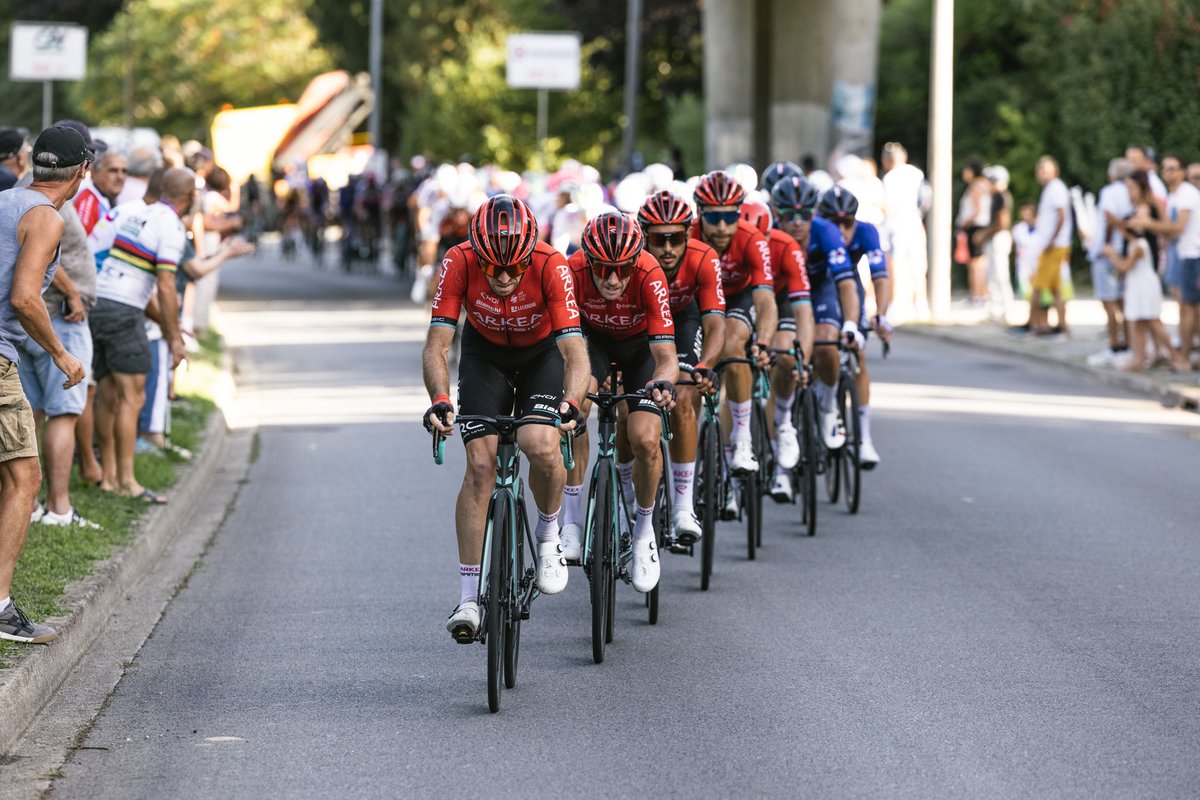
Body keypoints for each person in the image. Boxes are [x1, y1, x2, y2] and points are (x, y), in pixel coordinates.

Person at [422, 194, 589, 642]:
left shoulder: (551, 264)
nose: (503, 277)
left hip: (541, 355)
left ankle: (549, 535)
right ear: (478, 255)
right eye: (492, 267)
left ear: (528, 256)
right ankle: (468, 599)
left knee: (540, 444)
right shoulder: (458, 260)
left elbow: (574, 351)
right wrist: (440, 398)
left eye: (514, 267)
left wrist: (572, 402)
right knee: (480, 465)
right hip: (485, 355)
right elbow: (438, 344)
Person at [0, 125, 89, 644]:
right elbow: (24, 297)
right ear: (82, 171)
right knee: (23, 478)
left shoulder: (4, 202)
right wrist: (61, 353)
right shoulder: (47, 217)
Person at [560, 213, 678, 592]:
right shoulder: (572, 270)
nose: (612, 280)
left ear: (635, 263)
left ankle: (644, 534)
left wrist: (663, 382)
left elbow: (666, 355)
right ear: (588, 261)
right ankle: (572, 520)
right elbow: (564, 346)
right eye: (603, 269)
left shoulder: (650, 272)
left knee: (644, 437)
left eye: (622, 269)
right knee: (576, 408)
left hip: (639, 348)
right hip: (592, 343)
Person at [90, 168, 192, 503]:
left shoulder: (139, 214)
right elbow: (165, 285)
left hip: (98, 304)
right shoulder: (172, 227)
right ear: (189, 196)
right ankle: (128, 481)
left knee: (107, 394)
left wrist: (170, 329)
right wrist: (174, 337)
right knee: (133, 398)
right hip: (124, 311)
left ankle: (109, 477)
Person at [632, 190, 725, 541]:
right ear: (645, 238)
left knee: (684, 396)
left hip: (682, 320)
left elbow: (715, 323)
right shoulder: (632, 260)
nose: (668, 248)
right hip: (639, 325)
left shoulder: (703, 257)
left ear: (689, 235)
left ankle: (683, 506)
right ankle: (627, 492)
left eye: (676, 238)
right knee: (627, 407)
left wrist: (705, 365)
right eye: (659, 240)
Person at [20, 179, 101, 528]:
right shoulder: (48, 201)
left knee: (32, 413)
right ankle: (59, 508)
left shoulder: (20, 194)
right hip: (57, 319)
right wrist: (72, 293)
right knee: (64, 413)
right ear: (79, 168)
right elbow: (41, 252)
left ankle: (29, 504)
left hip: (32, 322)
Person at [691, 171, 775, 490]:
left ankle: (742, 437)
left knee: (732, 345)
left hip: (738, 298)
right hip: (698, 301)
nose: (723, 227)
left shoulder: (752, 238)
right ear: (700, 213)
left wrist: (763, 341)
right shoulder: (687, 235)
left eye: (730, 216)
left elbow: (765, 300)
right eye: (714, 217)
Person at [771, 176, 860, 454]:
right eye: (790, 216)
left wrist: (850, 324)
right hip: (785, 294)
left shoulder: (827, 232)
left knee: (827, 343)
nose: (798, 222)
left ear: (815, 214)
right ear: (777, 214)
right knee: (784, 353)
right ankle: (783, 418)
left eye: (805, 215)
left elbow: (846, 284)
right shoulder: (770, 235)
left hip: (820, 289)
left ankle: (828, 406)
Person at [741, 198, 814, 501]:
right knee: (735, 364)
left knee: (784, 351)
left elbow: (803, 312)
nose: (758, 245)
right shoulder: (725, 246)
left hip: (778, 298)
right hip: (742, 298)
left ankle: (784, 422)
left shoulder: (786, 246)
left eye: (764, 239)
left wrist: (802, 363)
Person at [817, 185, 891, 468]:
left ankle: (864, 439)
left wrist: (880, 313)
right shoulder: (815, 231)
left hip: (850, 291)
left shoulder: (866, 232)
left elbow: (880, 276)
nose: (841, 231)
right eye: (834, 223)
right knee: (818, 348)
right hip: (818, 289)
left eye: (847, 223)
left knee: (857, 354)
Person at [1103, 174, 1184, 372]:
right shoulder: (1135, 230)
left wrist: (1114, 253)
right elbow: (1131, 233)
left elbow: (1163, 229)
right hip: (1137, 276)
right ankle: (1141, 357)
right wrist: (1118, 225)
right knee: (1139, 320)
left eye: (1132, 187)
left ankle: (1174, 357)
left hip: (1146, 274)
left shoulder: (1151, 208)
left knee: (1151, 319)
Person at [1134, 154, 1200, 368]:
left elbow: (1178, 227)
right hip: (1181, 254)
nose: (1168, 172)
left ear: (1182, 171)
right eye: (1165, 168)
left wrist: (1149, 224)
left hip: (1192, 255)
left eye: (1173, 168)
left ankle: (1184, 359)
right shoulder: (1174, 195)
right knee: (1187, 307)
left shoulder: (1187, 194)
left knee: (1189, 308)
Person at [1086, 158, 1134, 367]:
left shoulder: (1110, 192)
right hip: (1124, 249)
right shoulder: (1132, 191)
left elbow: (1108, 217)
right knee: (1123, 302)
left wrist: (1104, 244)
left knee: (1109, 301)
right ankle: (1129, 344)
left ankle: (1115, 345)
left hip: (1108, 252)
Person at [880, 142, 929, 323]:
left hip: (896, 226)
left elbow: (888, 206)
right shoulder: (917, 173)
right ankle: (921, 304)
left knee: (896, 266)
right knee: (918, 266)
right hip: (915, 223)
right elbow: (926, 199)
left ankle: (896, 305)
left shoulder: (890, 178)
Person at [1026, 156, 1073, 336]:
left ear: (1055, 171)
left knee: (1038, 285)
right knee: (1055, 288)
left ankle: (1032, 323)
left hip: (1053, 246)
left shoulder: (1056, 189)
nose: (1042, 173)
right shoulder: (1050, 189)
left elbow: (1062, 216)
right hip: (1050, 244)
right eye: (1040, 170)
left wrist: (1051, 240)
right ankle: (1060, 325)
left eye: (1046, 170)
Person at [976, 165, 1015, 321]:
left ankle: (1006, 310)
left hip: (999, 238)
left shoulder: (1001, 197)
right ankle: (996, 310)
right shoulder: (995, 197)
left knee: (1000, 275)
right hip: (995, 238)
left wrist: (984, 233)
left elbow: (1002, 222)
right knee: (993, 275)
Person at [955, 160, 991, 306]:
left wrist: (964, 223)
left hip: (975, 227)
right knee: (980, 262)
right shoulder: (986, 185)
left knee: (975, 264)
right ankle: (981, 294)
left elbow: (976, 210)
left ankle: (977, 295)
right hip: (981, 226)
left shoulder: (976, 187)